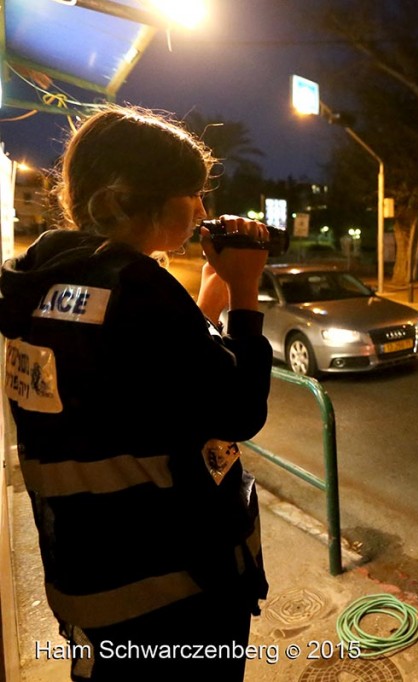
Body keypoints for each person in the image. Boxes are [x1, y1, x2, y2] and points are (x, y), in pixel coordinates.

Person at [0, 105, 272, 681]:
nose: (202, 210)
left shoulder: (41, 279)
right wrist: (245, 295)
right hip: (174, 594)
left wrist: (203, 310)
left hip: (93, 581)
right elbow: (238, 408)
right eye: (190, 194)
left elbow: (137, 388)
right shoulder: (139, 293)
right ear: (123, 201)